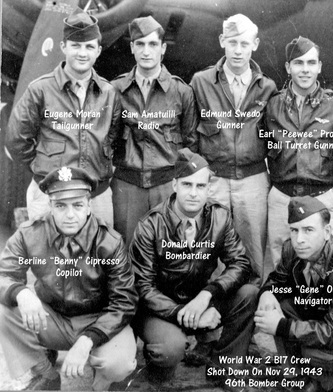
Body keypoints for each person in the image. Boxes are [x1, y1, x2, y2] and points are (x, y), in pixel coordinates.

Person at [0, 167, 138, 391]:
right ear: (50, 206)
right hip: (53, 318)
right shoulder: (29, 233)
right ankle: (45, 374)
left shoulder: (110, 242)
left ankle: (99, 383)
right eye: (61, 206)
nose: (70, 214)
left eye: (77, 205)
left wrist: (87, 341)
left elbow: (124, 302)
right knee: (4, 312)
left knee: (118, 365)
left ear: (89, 206)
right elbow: (4, 275)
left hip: (99, 319)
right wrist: (21, 292)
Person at [129, 148, 258, 386]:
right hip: (161, 308)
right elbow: (143, 287)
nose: (193, 194)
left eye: (200, 187)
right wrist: (183, 314)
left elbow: (240, 263)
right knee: (170, 349)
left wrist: (207, 295)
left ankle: (224, 368)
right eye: (187, 185)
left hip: (200, 299)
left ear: (209, 189)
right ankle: (157, 369)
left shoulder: (219, 217)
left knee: (248, 294)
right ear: (174, 185)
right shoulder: (150, 225)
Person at [7, 8, 120, 225]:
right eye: (75, 46)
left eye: (89, 47)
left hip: (96, 198)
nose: (82, 53)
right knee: (50, 256)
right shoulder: (39, 90)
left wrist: (103, 170)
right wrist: (41, 168)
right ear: (63, 47)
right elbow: (16, 139)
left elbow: (114, 138)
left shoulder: (109, 93)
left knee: (97, 256)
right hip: (51, 195)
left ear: (98, 51)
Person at [190, 13, 277, 282]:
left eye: (244, 43)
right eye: (232, 42)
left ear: (255, 44)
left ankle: (253, 310)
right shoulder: (201, 82)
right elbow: (191, 136)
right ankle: (215, 309)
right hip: (214, 179)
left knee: (254, 253)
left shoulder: (267, 87)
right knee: (211, 251)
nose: (238, 51)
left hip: (252, 181)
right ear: (222, 41)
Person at [255, 196, 333, 392]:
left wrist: (282, 326)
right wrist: (267, 292)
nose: (299, 240)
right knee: (279, 306)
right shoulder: (291, 248)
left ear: (327, 232)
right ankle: (296, 379)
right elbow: (277, 279)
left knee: (311, 349)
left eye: (308, 230)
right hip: (325, 315)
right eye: (294, 230)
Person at [111, 16, 197, 243]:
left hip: (166, 185)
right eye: (140, 44)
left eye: (153, 44)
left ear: (163, 48)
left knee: (169, 254)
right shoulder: (116, 90)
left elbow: (191, 143)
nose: (146, 51)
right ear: (131, 48)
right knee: (128, 251)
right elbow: (106, 141)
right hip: (127, 186)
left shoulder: (181, 92)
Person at [264, 36, 333, 267]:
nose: (305, 69)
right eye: (298, 63)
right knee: (282, 262)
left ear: (319, 67)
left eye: (311, 63)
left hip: (321, 197)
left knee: (327, 262)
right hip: (282, 197)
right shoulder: (272, 105)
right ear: (288, 67)